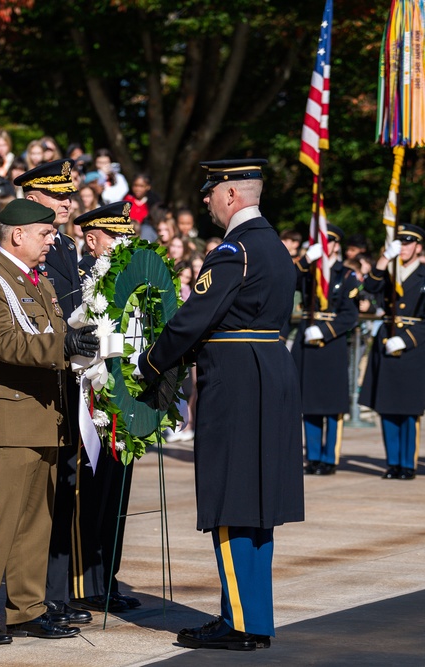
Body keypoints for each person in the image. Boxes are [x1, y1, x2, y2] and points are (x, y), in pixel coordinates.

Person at [135, 159, 303, 650]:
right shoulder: (275, 247)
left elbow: (194, 319)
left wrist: (150, 363)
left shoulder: (234, 250)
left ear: (231, 195)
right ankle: (249, 614)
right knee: (256, 504)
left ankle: (242, 625)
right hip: (270, 373)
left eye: (210, 192)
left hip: (236, 381)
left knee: (232, 499)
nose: (206, 200)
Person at [0, 198, 98, 645]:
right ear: (17, 234)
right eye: (45, 233)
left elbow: (51, 336)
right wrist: (65, 343)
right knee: (2, 519)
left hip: (43, 417)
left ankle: (27, 608)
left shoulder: (36, 283)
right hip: (8, 418)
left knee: (36, 522)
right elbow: (3, 342)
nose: (52, 239)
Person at [14, 158, 90, 627]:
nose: (67, 202)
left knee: (63, 489)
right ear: (31, 198)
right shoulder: (23, 249)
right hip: (42, 377)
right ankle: (31, 596)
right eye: (56, 195)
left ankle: (55, 593)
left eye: (68, 195)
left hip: (68, 376)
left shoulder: (62, 246)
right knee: (36, 495)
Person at [68, 201, 143, 615]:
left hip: (125, 400)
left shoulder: (133, 279)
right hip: (90, 401)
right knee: (91, 492)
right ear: (93, 238)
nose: (124, 243)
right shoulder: (81, 276)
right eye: (117, 237)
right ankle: (85, 581)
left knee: (117, 494)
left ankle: (107, 577)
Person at [292, 224, 361, 475]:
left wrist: (325, 331)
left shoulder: (346, 276)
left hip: (331, 344)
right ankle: (312, 457)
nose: (327, 246)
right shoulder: (308, 272)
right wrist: (303, 261)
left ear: (337, 246)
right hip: (307, 344)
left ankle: (329, 458)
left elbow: (349, 315)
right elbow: (284, 280)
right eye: (322, 242)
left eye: (330, 242)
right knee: (309, 404)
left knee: (332, 406)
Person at [358, 223, 425, 480]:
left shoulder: (423, 274)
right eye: (401, 243)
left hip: (412, 347)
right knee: (387, 406)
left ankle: (407, 464)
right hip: (387, 342)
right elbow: (371, 289)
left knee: (408, 410)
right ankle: (392, 463)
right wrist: (384, 258)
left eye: (409, 243)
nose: (404, 247)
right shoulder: (388, 271)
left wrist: (407, 339)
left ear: (418, 247)